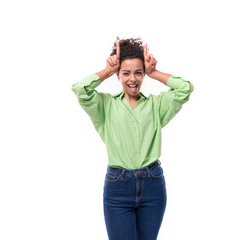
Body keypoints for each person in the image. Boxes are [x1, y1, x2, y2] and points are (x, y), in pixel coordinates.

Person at [71, 37, 194, 240]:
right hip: (117, 187)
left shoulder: (156, 105)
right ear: (118, 75)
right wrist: (107, 71)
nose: (132, 79)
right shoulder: (105, 105)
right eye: (125, 73)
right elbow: (80, 89)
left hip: (153, 184)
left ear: (144, 74)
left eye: (138, 73)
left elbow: (185, 88)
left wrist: (155, 73)